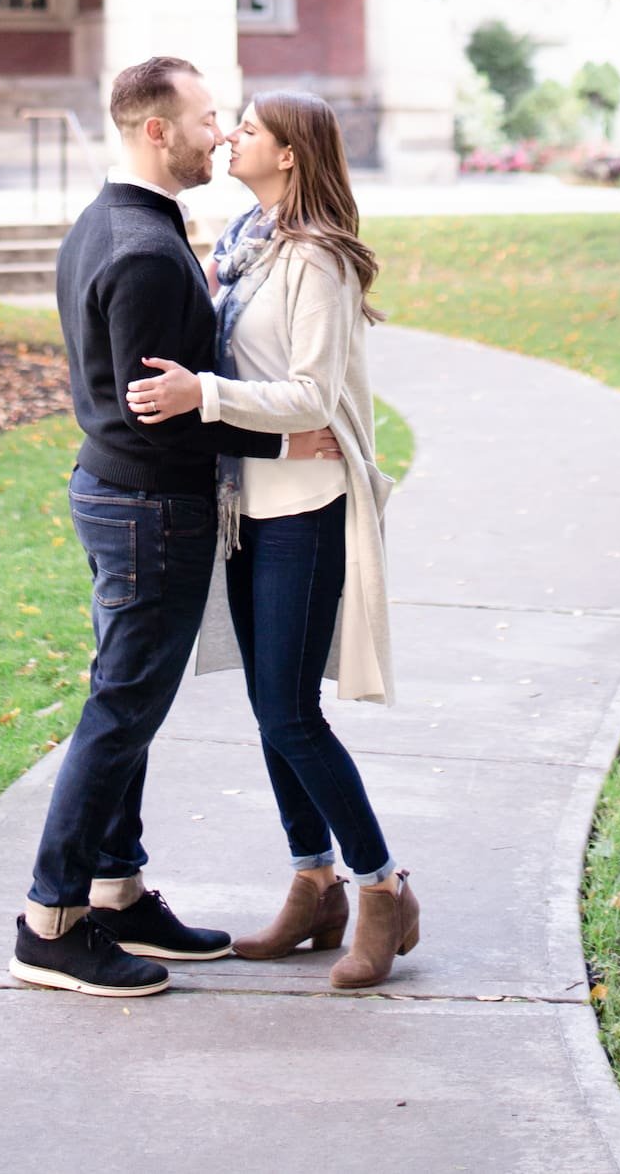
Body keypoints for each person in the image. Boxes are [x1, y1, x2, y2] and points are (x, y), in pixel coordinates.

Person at [11, 55, 344, 999]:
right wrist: (284, 449)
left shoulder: (114, 224)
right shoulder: (147, 250)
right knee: (120, 709)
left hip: (121, 497)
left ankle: (116, 892)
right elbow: (156, 409)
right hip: (148, 506)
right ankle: (51, 920)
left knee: (128, 704)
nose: (219, 132)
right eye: (205, 118)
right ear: (156, 130)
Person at [127, 88, 418, 993]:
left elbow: (308, 396)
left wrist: (201, 396)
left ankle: (382, 889)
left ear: (288, 153)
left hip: (304, 504)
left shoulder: (317, 261)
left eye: (247, 129)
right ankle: (312, 882)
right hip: (243, 502)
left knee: (291, 712)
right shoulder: (249, 243)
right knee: (268, 709)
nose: (231, 138)